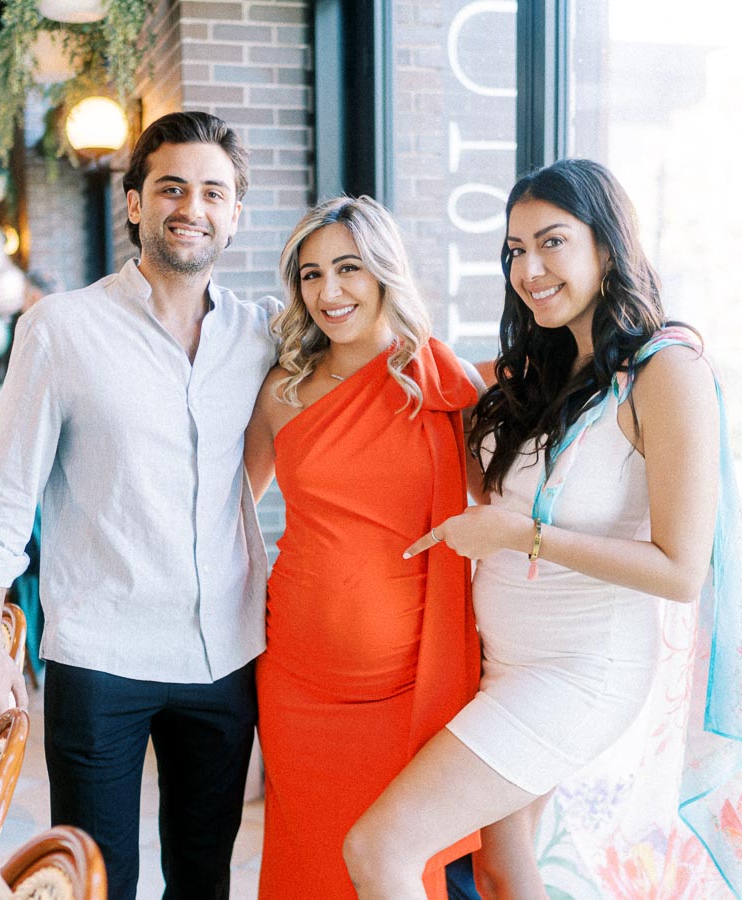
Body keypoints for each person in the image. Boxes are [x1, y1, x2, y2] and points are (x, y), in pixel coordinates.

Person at [342, 159, 742, 898]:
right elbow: (435, 410)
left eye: (552, 242)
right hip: (503, 661)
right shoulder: (541, 372)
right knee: (503, 870)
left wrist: (517, 538)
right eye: (514, 250)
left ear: (607, 247)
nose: (529, 268)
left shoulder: (666, 372)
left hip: (579, 674)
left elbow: (680, 569)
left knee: (380, 848)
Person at [0, 111, 281, 900]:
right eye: (170, 187)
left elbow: (257, 459)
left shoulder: (263, 333)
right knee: (98, 881)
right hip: (100, 654)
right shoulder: (60, 329)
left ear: (235, 213)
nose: (191, 207)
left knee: (203, 878)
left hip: (224, 654)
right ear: (134, 202)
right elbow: (7, 493)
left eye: (214, 192)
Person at [242, 196, 482, 899]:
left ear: (383, 272)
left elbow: (500, 506)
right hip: (295, 677)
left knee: (398, 865)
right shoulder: (281, 393)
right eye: (311, 275)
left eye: (347, 268)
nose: (329, 292)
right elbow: (229, 512)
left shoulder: (443, 384)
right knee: (311, 862)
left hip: (409, 684)